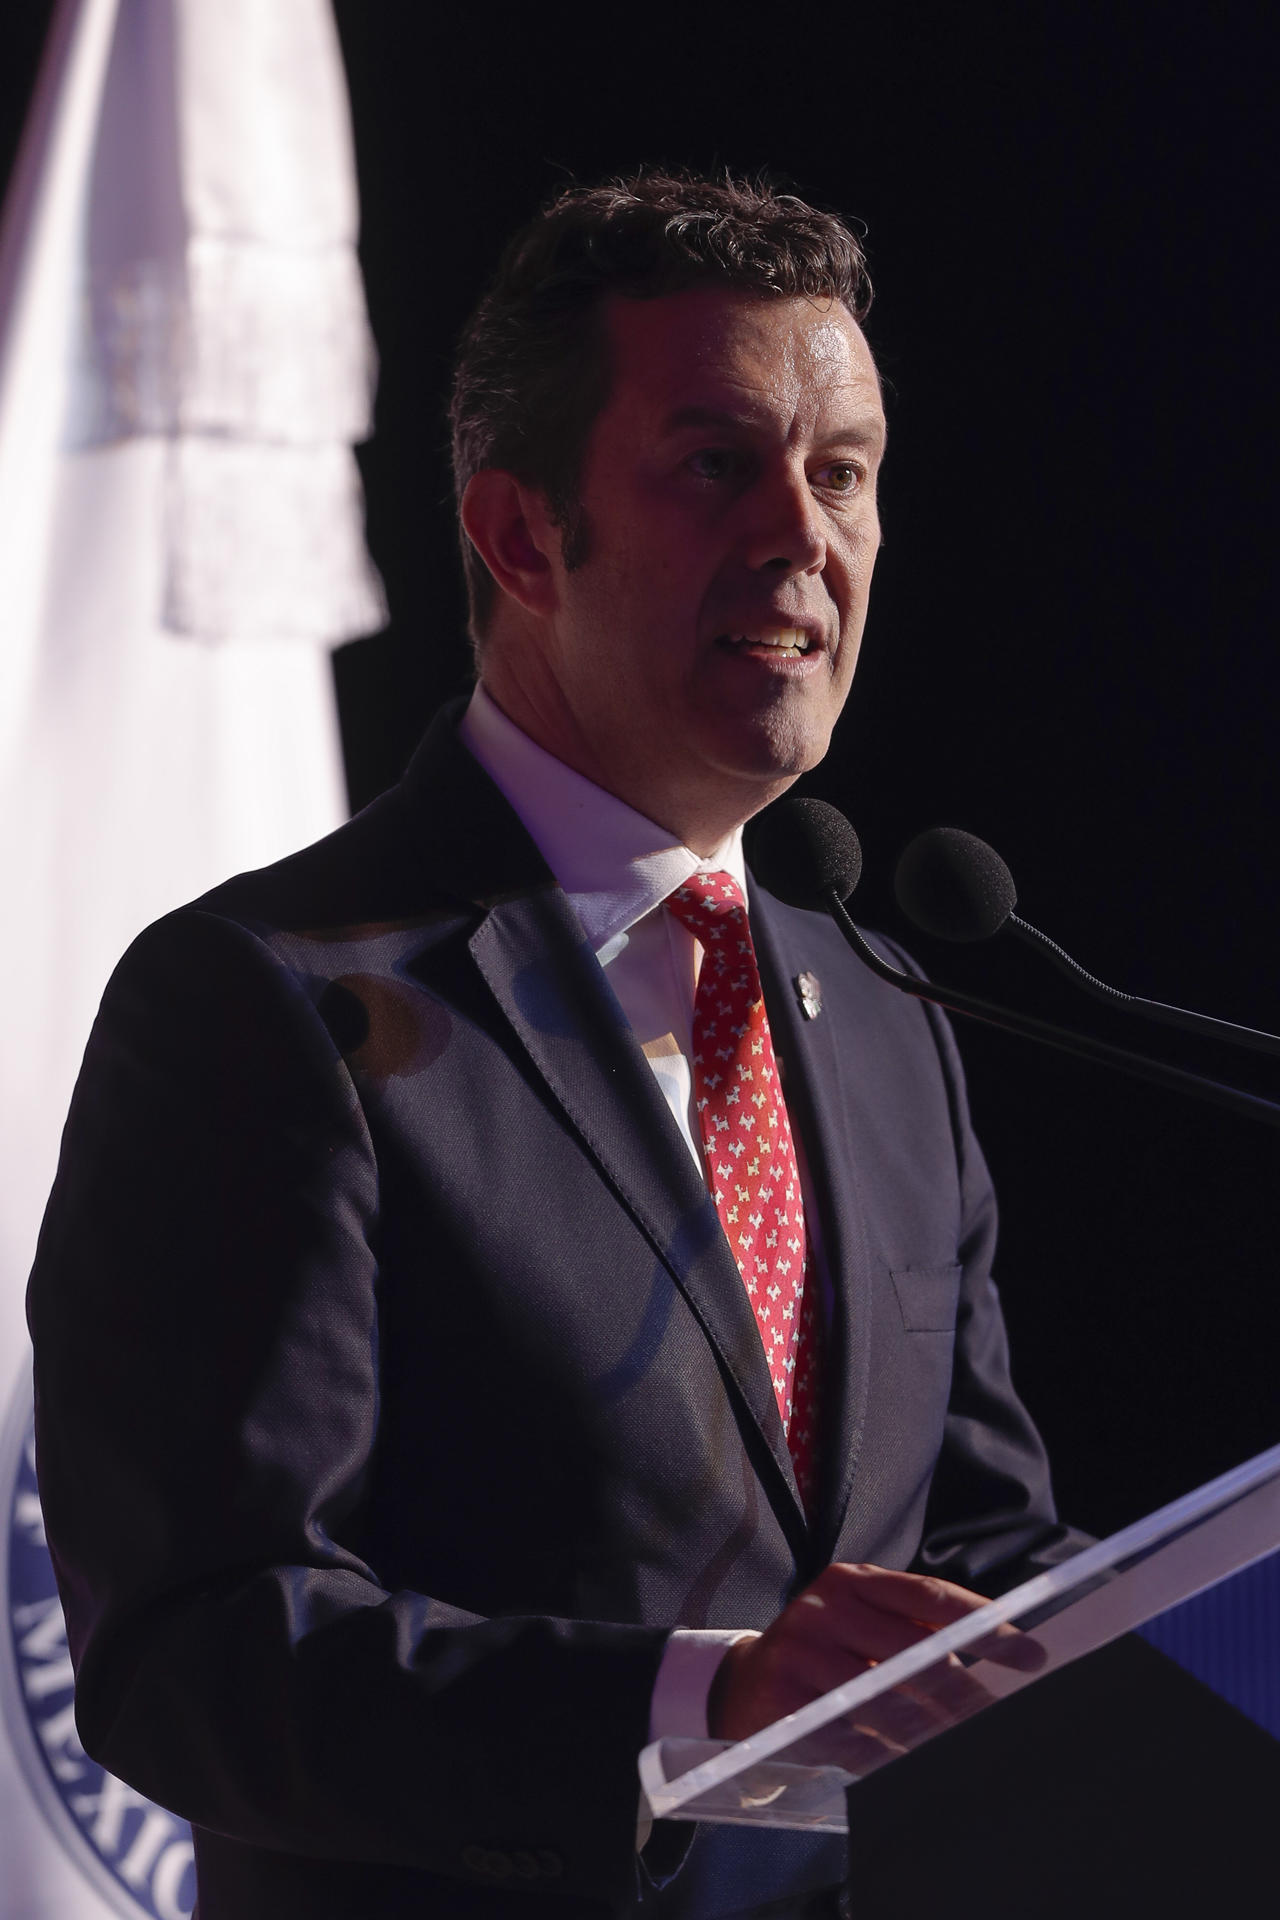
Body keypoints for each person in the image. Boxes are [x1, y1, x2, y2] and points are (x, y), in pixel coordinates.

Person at [28, 172, 1085, 1920]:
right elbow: (199, 1652)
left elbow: (971, 1553)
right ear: (523, 539)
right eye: (713, 463)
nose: (803, 536)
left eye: (842, 473)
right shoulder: (266, 998)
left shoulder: (890, 1013)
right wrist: (701, 1706)